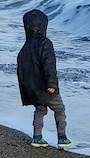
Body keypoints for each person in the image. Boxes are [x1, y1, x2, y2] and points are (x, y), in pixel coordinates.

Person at [16, 9, 70, 148]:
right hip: (46, 87)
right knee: (60, 109)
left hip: (33, 90)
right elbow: (49, 65)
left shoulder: (24, 48)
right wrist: (52, 84)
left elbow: (22, 72)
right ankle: (62, 138)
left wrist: (26, 91)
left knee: (40, 111)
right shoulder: (45, 43)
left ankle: (37, 137)